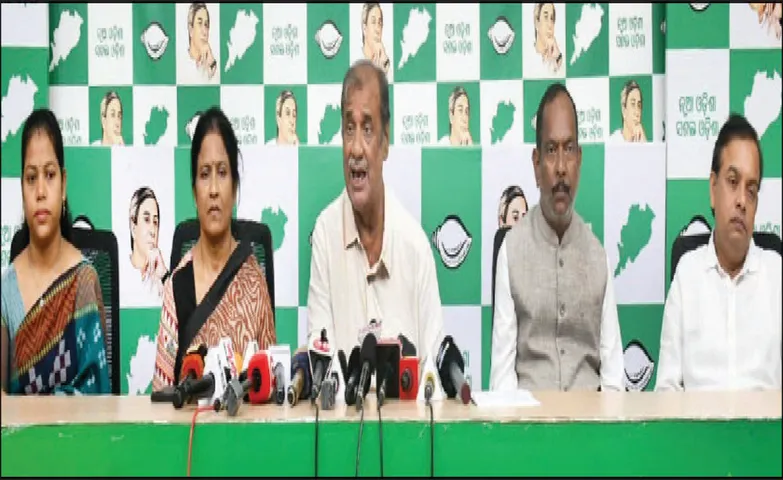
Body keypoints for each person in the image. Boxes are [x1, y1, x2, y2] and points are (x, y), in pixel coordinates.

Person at [490, 83, 624, 392]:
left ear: (580, 160)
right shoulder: (512, 250)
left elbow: (614, 379)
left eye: (569, 149)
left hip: (590, 420)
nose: (561, 167)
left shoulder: (598, 256)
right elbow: (502, 379)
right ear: (536, 165)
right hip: (528, 421)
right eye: (551, 150)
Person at [307, 59, 444, 361]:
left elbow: (432, 374)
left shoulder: (415, 248)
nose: (356, 148)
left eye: (367, 129)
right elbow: (321, 361)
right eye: (349, 129)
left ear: (385, 142)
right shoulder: (326, 234)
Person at [151, 107, 275, 391]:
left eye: (222, 172)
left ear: (235, 186)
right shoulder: (177, 286)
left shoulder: (254, 283)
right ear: (194, 192)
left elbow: (269, 395)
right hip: (187, 422)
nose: (214, 189)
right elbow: (161, 399)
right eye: (205, 174)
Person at [656, 114, 781, 391]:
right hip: (697, 420)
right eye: (733, 182)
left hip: (766, 420)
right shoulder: (687, 276)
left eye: (751, 190)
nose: (742, 201)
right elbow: (666, 392)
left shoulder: (777, 277)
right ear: (713, 189)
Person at [1, 108, 110, 395]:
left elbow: (97, 397)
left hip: (78, 428)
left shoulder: (83, 281)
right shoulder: (6, 290)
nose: (40, 191)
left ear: (63, 185)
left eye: (49, 175)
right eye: (31, 178)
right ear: (22, 189)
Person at [128, 187, 168, 298]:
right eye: (146, 220)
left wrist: (164, 275)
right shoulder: (120, 272)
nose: (152, 231)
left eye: (155, 222)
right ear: (133, 227)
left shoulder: (163, 277)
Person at [186, 3, 217, 81]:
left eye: (206, 25)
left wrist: (212, 65)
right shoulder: (182, 64)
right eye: (200, 23)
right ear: (191, 29)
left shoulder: (212, 62)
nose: (204, 31)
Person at [533, 3, 562, 74]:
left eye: (552, 19)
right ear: (537, 22)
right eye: (546, 17)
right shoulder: (529, 57)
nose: (550, 25)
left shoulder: (556, 57)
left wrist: (558, 57)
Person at [361, 3, 390, 75]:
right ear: (364, 28)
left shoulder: (385, 61)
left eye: (379, 23)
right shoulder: (356, 63)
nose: (377, 29)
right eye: (373, 22)